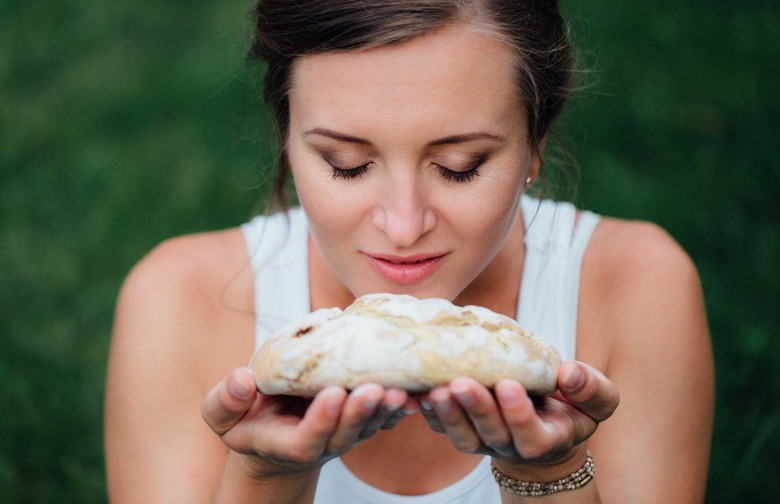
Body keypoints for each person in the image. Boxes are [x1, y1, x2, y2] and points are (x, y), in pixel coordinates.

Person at [104, 1, 714, 502]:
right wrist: (269, 477)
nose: (403, 226)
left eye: (459, 167)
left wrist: (547, 476)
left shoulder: (637, 284)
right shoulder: (179, 299)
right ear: (286, 137)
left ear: (535, 145)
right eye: (347, 165)